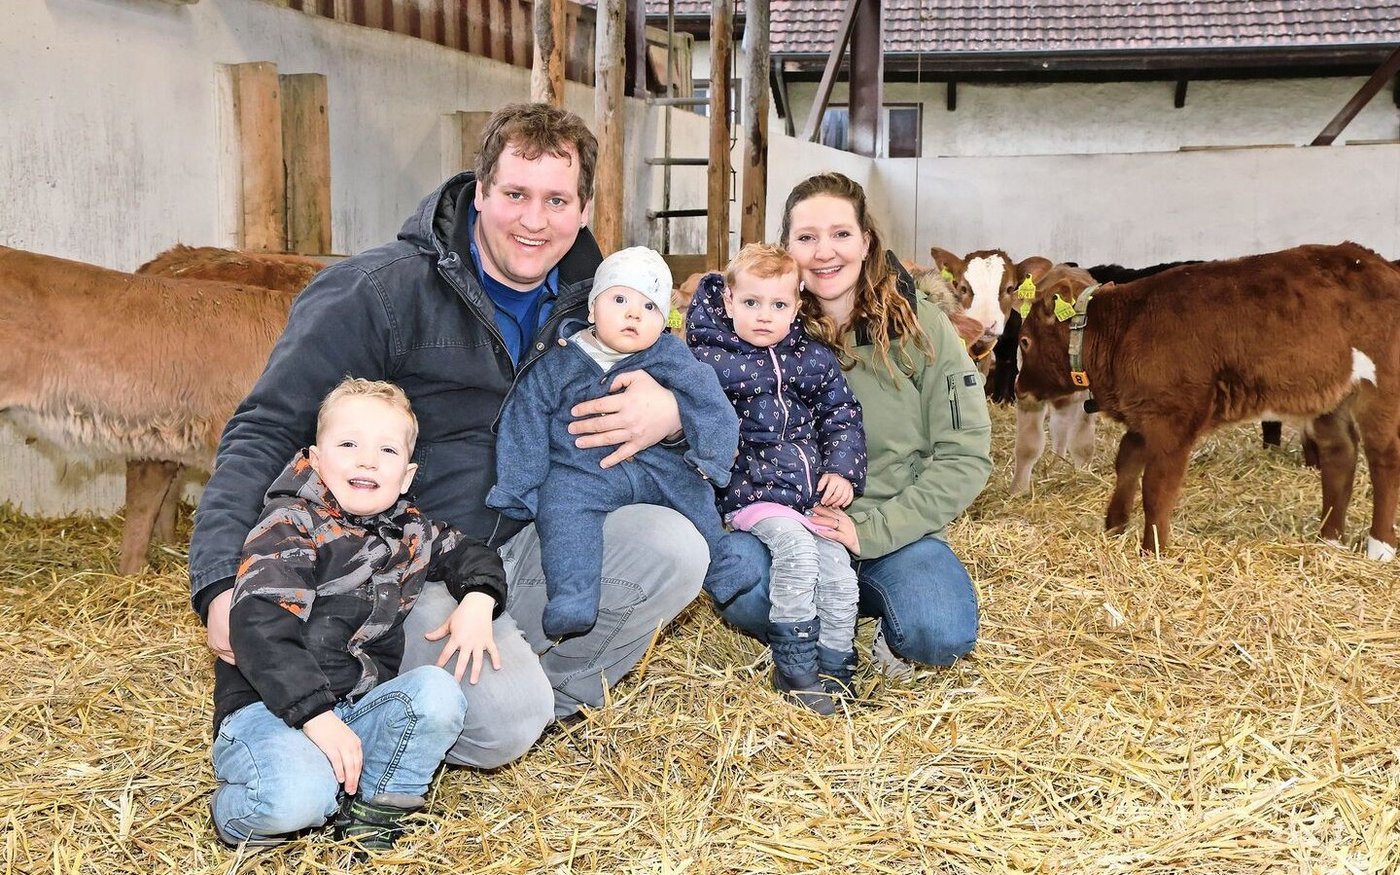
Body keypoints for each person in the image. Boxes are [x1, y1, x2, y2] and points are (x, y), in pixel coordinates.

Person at [190, 103, 706, 772]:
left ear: (584, 211)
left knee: (674, 546)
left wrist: (670, 414)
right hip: (408, 560)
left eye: (556, 199)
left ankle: (551, 699)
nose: (533, 220)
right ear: (480, 189)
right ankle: (475, 706)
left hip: (532, 537)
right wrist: (218, 581)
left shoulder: (597, 304)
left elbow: (680, 419)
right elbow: (263, 428)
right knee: (501, 722)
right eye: (515, 194)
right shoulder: (380, 292)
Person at [211, 378, 506, 851]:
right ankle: (240, 812)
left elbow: (472, 555)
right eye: (348, 443)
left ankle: (378, 808)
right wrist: (317, 718)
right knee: (294, 802)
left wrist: (478, 599)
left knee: (436, 693)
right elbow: (260, 630)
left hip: (357, 706)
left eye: (386, 450)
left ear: (406, 476)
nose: (367, 459)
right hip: (273, 707)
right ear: (316, 456)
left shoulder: (412, 531)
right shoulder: (290, 524)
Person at [716, 173, 992, 677]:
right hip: (788, 530)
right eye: (806, 238)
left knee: (939, 632)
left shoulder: (922, 328)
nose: (825, 252)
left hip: (891, 531)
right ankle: (814, 633)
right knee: (736, 582)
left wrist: (871, 531)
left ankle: (885, 621)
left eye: (841, 234)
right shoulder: (760, 329)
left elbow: (965, 455)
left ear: (866, 242)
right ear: (786, 249)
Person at [487, 246, 753, 642]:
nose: (633, 313)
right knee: (562, 510)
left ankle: (723, 563)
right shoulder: (561, 359)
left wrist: (712, 457)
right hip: (583, 471)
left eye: (649, 306)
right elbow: (525, 418)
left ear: (664, 322)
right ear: (593, 310)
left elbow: (707, 399)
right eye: (620, 299)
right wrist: (517, 486)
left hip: (656, 465)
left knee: (693, 492)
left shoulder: (669, 355)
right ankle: (573, 596)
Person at [685, 244, 866, 714]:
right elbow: (680, 410)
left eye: (779, 305)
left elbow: (841, 415)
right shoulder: (708, 360)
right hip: (752, 493)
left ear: (797, 305)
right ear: (727, 301)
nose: (765, 316)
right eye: (751, 303)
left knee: (841, 576)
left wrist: (842, 471)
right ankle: (795, 665)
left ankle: (836, 666)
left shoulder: (812, 358)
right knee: (798, 554)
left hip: (808, 498)